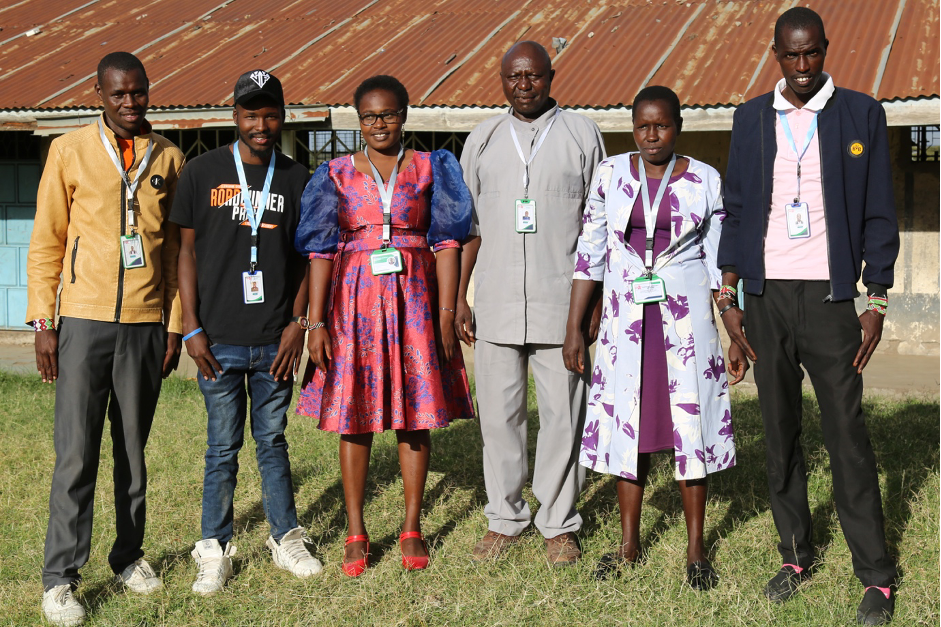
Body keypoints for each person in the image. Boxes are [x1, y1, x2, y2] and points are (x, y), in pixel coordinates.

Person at [718, 7, 900, 624]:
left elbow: (879, 209)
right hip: (766, 298)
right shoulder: (750, 118)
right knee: (779, 431)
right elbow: (735, 210)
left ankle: (875, 575)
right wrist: (729, 298)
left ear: (825, 47)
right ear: (776, 53)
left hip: (829, 299)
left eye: (812, 52)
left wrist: (875, 298)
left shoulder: (860, 114)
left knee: (846, 434)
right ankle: (795, 554)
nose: (802, 65)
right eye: (791, 55)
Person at [27, 51, 184, 627]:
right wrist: (43, 323)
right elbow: (46, 240)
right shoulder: (68, 150)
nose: (130, 102)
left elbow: (174, 252)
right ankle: (60, 579)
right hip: (82, 319)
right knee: (76, 452)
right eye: (118, 93)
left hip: (145, 324)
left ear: (148, 90)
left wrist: (172, 324)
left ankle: (129, 556)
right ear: (99, 94)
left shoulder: (169, 156)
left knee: (132, 452)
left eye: (138, 91)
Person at [563, 86, 744, 587]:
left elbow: (721, 260)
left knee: (692, 428)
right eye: (642, 126)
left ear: (678, 127)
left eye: (661, 125)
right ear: (633, 128)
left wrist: (733, 324)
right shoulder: (611, 175)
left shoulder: (705, 179)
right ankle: (628, 546)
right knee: (630, 429)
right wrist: (574, 327)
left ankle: (695, 550)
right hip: (626, 321)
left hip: (686, 323)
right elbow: (590, 252)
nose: (651, 135)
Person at [295, 75, 474, 576]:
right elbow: (320, 251)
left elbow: (448, 242)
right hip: (353, 304)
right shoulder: (333, 173)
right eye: (370, 116)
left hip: (415, 301)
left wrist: (445, 313)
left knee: (415, 414)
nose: (380, 124)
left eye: (389, 114)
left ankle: (412, 527)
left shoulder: (432, 166)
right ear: (359, 120)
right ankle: (356, 531)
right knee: (354, 415)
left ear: (404, 116)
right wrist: (315, 322)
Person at [171, 69, 322, 596]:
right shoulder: (201, 172)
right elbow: (185, 254)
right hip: (216, 340)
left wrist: (298, 323)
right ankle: (214, 548)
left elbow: (307, 260)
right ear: (234, 115)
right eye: (251, 114)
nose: (261, 125)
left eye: (270, 115)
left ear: (283, 117)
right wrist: (190, 327)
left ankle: (286, 537)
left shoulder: (298, 178)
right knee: (221, 447)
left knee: (273, 441)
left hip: (275, 340)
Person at [456, 41, 606, 566]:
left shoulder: (581, 134)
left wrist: (594, 303)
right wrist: (461, 298)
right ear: (502, 79)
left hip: (561, 305)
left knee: (564, 415)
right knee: (499, 417)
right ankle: (505, 517)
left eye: (534, 75)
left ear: (551, 76)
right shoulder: (482, 138)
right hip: (496, 302)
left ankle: (559, 523)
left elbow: (599, 225)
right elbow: (468, 227)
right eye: (514, 76)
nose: (524, 85)